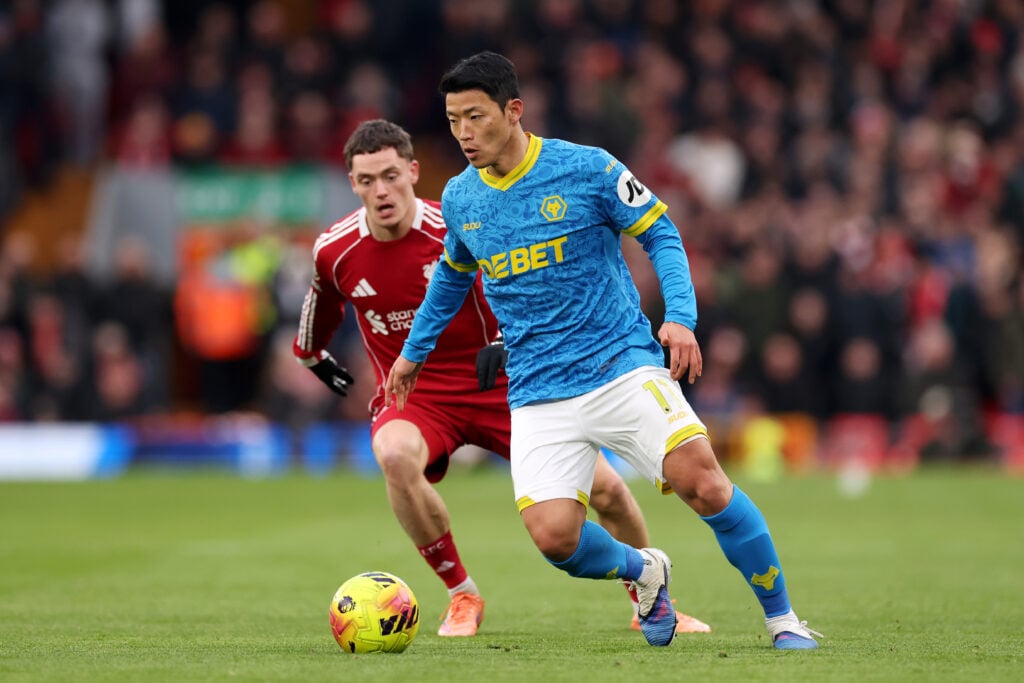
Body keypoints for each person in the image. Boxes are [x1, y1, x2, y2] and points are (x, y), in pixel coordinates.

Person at [385, 52, 821, 649]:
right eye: (454, 119)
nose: (463, 133)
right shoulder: (461, 198)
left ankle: (783, 619)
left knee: (704, 482)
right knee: (555, 540)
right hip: (538, 391)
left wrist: (682, 320)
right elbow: (452, 277)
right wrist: (413, 353)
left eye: (476, 117)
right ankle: (646, 570)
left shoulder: (586, 169)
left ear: (514, 112)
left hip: (619, 364)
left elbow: (660, 232)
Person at [293, 119, 710, 637]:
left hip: (505, 383)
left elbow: (517, 282)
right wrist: (310, 354)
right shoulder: (335, 249)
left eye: (392, 175)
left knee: (606, 491)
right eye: (368, 179)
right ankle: (461, 593)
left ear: (413, 172)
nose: (382, 190)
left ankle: (650, 597)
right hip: (419, 394)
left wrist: (501, 343)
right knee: (395, 455)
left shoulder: (452, 224)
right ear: (352, 183)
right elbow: (320, 301)